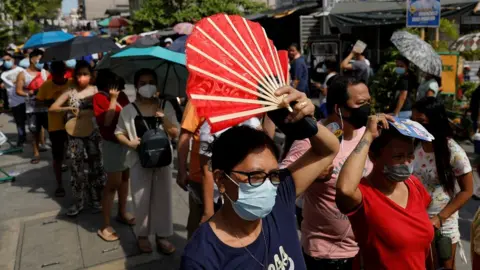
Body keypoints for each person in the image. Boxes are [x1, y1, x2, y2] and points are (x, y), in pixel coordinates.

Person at [181, 86, 340, 269]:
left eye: (273, 174)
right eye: (255, 177)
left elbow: (328, 150)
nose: (267, 186)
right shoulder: (202, 258)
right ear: (221, 180)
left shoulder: (280, 199)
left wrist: (307, 122)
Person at [286, 76, 373, 269]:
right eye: (360, 103)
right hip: (325, 256)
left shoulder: (368, 134)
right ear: (339, 109)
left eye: (369, 101)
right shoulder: (312, 142)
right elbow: (280, 187)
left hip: (365, 249)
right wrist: (311, 174)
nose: (367, 108)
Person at [336, 114, 434, 269]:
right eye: (398, 156)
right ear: (374, 156)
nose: (407, 162)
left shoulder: (413, 185)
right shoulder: (364, 195)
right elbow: (345, 190)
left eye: (410, 155)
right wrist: (368, 135)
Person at [115, 68, 178, 254]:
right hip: (139, 161)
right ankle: (142, 236)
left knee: (163, 199)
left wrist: (164, 118)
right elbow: (118, 132)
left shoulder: (165, 106)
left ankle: (162, 236)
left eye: (151, 82)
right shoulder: (128, 110)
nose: (147, 86)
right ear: (136, 86)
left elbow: (175, 132)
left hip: (162, 161)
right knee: (141, 199)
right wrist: (130, 143)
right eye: (143, 83)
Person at [412, 97, 473, 269]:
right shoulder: (414, 145)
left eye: (421, 121)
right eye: (413, 120)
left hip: (442, 225)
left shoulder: (452, 151)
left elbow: (467, 191)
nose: (416, 125)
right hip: (416, 220)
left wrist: (440, 218)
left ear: (435, 120)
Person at [49, 60, 106, 217]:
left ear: (91, 75)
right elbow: (53, 108)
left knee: (97, 166)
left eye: (85, 74)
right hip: (74, 134)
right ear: (74, 76)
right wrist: (68, 108)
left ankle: (96, 199)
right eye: (79, 74)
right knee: (76, 167)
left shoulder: (96, 91)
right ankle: (78, 201)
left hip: (94, 134)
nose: (82, 77)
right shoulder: (70, 92)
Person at [93, 69, 134, 242]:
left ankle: (122, 212)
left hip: (125, 143)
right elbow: (107, 120)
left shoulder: (123, 95)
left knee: (125, 179)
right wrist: (113, 99)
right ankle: (105, 224)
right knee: (112, 184)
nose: (117, 88)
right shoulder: (99, 98)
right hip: (112, 145)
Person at [36, 61, 74, 197]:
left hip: (73, 124)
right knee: (57, 157)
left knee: (75, 155)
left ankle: (77, 183)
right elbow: (38, 100)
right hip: (55, 126)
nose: (58, 76)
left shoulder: (71, 83)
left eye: (60, 72)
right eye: (55, 73)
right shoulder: (46, 85)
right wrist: (50, 102)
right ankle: (59, 185)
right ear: (52, 73)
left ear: (64, 72)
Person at [177, 100, 206, 239]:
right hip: (199, 176)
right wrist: (182, 170)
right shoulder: (198, 100)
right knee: (196, 221)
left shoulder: (238, 98)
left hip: (229, 177)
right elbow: (185, 135)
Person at [15, 49, 49, 164]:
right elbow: (18, 91)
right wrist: (28, 93)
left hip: (46, 108)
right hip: (32, 109)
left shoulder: (45, 73)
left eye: (42, 59)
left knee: (52, 131)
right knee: (34, 133)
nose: (41, 61)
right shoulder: (23, 74)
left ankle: (59, 156)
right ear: (31, 59)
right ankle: (36, 154)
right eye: (39, 59)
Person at [1, 52, 25, 146]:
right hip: (14, 101)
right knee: (19, 121)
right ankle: (21, 138)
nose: (7, 62)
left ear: (13, 59)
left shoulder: (21, 70)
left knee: (30, 122)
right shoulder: (3, 74)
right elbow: (11, 84)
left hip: (25, 99)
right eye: (4, 60)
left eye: (8, 59)